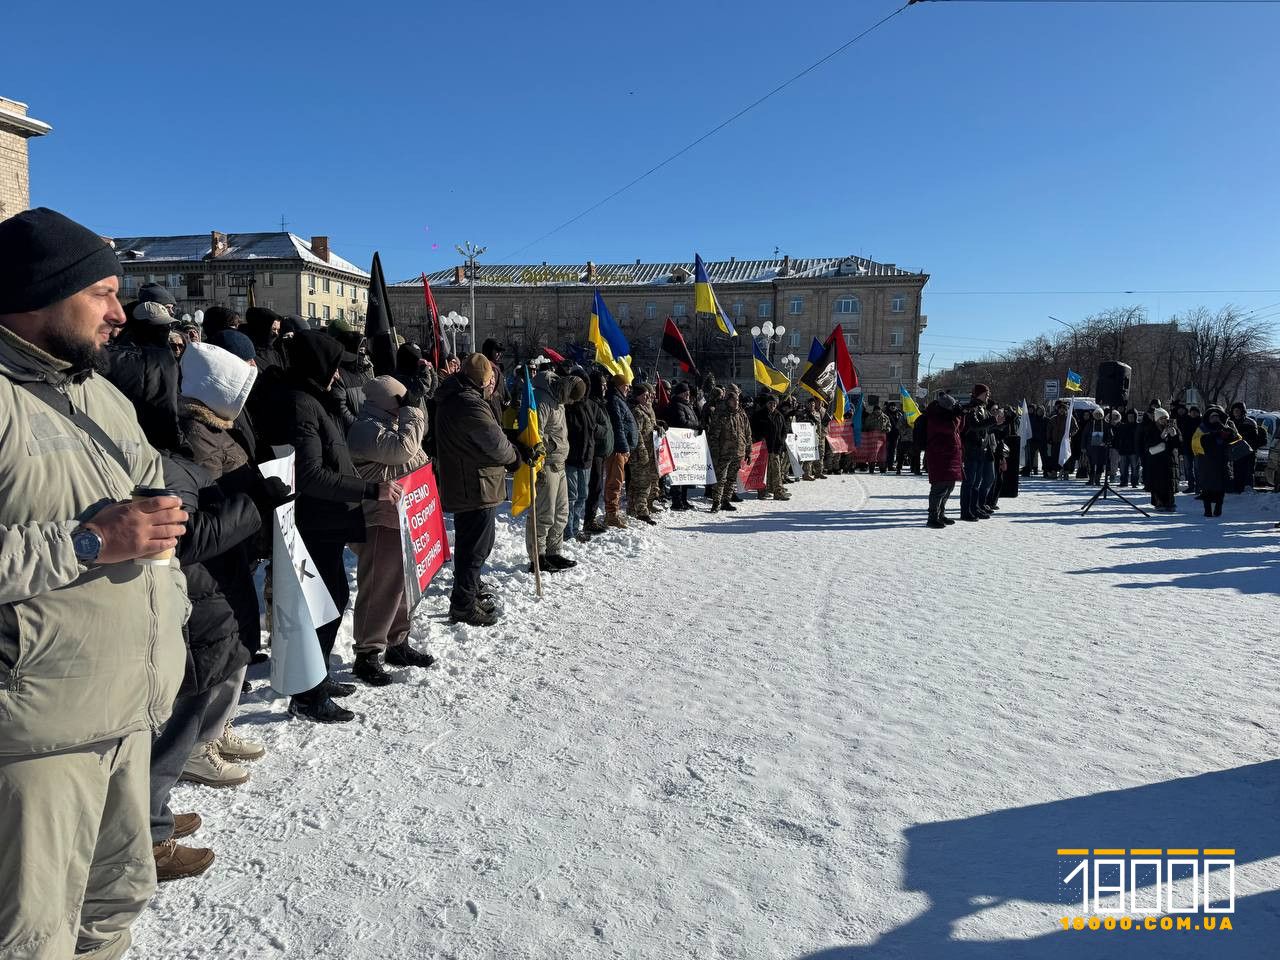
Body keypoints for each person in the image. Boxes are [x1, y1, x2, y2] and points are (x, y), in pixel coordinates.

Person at [0, 208, 190, 957]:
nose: (120, 314)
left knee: (115, 901)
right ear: (38, 292)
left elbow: (151, 514)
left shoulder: (101, 396)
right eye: (102, 293)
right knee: (31, 937)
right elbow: (106, 537)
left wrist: (170, 589)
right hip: (35, 737)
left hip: (126, 711)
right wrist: (88, 542)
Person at [260, 331, 400, 722]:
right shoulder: (299, 405)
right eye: (334, 367)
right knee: (318, 604)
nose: (339, 375)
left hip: (326, 521)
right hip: (313, 522)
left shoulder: (312, 400)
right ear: (318, 367)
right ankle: (308, 693)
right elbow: (310, 475)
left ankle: (317, 676)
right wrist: (371, 489)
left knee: (333, 598)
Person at [347, 376, 435, 684]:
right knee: (380, 587)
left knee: (403, 586)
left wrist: (414, 408)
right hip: (380, 519)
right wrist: (412, 412)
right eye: (402, 401)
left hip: (406, 517)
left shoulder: (393, 424)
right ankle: (368, 652)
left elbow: (416, 442)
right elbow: (402, 451)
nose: (406, 407)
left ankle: (397, 641)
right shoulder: (365, 428)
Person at [435, 354, 523, 625]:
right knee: (475, 548)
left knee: (470, 546)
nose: (492, 384)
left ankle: (467, 594)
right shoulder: (469, 403)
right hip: (474, 485)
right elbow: (495, 443)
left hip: (468, 483)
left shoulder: (456, 396)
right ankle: (463, 604)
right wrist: (515, 457)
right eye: (490, 380)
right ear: (481, 381)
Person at [526, 366, 579, 567]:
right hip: (546, 464)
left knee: (561, 513)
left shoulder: (559, 401)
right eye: (572, 398)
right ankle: (537, 556)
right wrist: (541, 459)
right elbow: (535, 433)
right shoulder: (543, 399)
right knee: (544, 514)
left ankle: (553, 551)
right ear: (566, 390)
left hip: (560, 463)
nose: (571, 403)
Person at [565, 370, 606, 542]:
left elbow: (604, 429)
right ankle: (569, 531)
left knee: (582, 496)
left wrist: (594, 429)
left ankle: (576, 528)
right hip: (571, 458)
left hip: (587, 458)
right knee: (571, 497)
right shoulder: (567, 405)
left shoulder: (592, 405)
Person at [959, 384, 1002, 519]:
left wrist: (999, 423)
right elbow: (974, 426)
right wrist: (993, 420)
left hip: (981, 449)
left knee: (977, 482)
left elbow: (986, 428)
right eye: (986, 393)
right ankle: (966, 511)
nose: (988, 396)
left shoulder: (983, 408)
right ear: (978, 394)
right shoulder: (972, 408)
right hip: (972, 448)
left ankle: (974, 508)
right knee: (969, 482)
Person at [603, 373, 638, 528]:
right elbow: (618, 426)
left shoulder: (619, 399)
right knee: (614, 482)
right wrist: (624, 447)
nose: (628, 389)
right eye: (626, 386)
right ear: (618, 386)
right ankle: (611, 514)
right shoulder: (614, 400)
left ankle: (614, 511)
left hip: (621, 448)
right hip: (617, 449)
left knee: (617, 481)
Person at [583, 369, 614, 535]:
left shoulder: (600, 402)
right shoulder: (591, 403)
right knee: (594, 487)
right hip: (593, 452)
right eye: (602, 385)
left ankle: (591, 517)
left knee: (597, 487)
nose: (605, 388)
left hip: (600, 452)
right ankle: (589, 520)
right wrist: (603, 430)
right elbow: (591, 427)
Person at [706, 390, 749, 512]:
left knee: (731, 479)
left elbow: (747, 433)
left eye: (737, 400)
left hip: (738, 452)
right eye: (733, 400)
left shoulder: (742, 414)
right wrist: (715, 453)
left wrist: (748, 450)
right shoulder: (721, 415)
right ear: (727, 401)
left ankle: (726, 500)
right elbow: (713, 436)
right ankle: (716, 502)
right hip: (724, 453)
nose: (736, 402)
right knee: (721, 479)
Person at [925, 393, 963, 526]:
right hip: (939, 456)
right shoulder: (935, 416)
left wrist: (961, 415)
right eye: (953, 406)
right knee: (939, 487)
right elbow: (951, 428)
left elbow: (960, 429)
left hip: (950, 455)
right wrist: (957, 416)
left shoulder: (947, 416)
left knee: (949, 486)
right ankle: (932, 517)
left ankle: (941, 514)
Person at [665, 382, 701, 508]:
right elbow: (681, 422)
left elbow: (693, 420)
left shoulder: (687, 405)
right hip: (678, 445)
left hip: (687, 444)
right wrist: (696, 426)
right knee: (679, 474)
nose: (687, 395)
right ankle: (677, 501)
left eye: (688, 393)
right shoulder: (676, 405)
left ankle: (684, 499)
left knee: (685, 473)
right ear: (679, 394)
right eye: (685, 393)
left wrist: (697, 426)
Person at [751, 392, 791, 501]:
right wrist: (759, 438)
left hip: (775, 448)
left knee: (776, 470)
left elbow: (784, 430)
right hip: (762, 449)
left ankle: (778, 492)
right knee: (763, 471)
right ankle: (761, 491)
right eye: (770, 403)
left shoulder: (779, 415)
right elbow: (753, 430)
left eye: (774, 403)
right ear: (766, 403)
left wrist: (781, 441)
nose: (772, 405)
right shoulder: (758, 415)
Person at [1146, 407, 1181, 512]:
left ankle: (1170, 502)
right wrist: (1161, 436)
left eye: (1166, 418)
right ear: (1157, 419)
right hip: (1156, 460)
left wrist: (1174, 435)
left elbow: (1178, 444)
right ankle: (1159, 501)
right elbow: (1148, 443)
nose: (1164, 420)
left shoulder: (1173, 428)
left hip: (1170, 459)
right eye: (1162, 418)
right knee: (1157, 481)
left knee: (1170, 481)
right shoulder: (1151, 429)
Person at [1228, 402, 1259, 492]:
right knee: (1236, 470)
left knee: (1248, 471)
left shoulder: (1250, 422)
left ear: (1242, 411)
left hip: (1249, 451)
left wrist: (1243, 439)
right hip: (1235, 451)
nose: (1236, 412)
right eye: (1234, 410)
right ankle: (1237, 488)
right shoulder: (1230, 422)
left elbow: (1254, 437)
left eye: (1238, 410)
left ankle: (1248, 488)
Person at [1115, 409, 1142, 488]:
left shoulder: (1139, 426)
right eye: (1129, 416)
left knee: (1135, 468)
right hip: (1123, 450)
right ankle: (1124, 482)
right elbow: (1117, 437)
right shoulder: (1122, 426)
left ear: (1135, 417)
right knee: (1123, 468)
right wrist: (1118, 447)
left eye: (1132, 416)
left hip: (1134, 451)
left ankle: (1135, 482)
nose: (1130, 418)